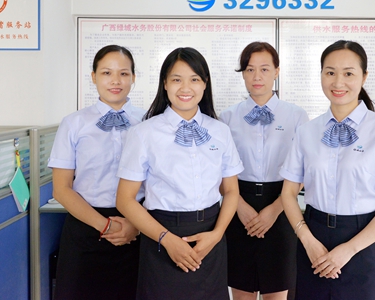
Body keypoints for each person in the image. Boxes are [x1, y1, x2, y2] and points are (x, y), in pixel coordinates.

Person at [280, 40, 375, 300]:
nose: (338, 82)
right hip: (314, 241)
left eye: (348, 73)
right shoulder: (307, 132)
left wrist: (349, 249)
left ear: (364, 77)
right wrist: (307, 240)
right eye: (330, 72)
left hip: (364, 242)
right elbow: (288, 194)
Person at [116, 47, 243, 300]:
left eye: (194, 79)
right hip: (161, 236)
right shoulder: (144, 133)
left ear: (205, 84)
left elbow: (231, 191)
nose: (186, 88)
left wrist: (217, 235)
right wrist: (166, 239)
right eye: (176, 79)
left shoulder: (220, 131)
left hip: (211, 237)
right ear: (165, 84)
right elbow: (124, 199)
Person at [49, 44, 144, 300]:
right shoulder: (74, 123)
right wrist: (106, 226)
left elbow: (158, 182)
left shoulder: (149, 121)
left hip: (138, 227)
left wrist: (135, 225)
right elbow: (61, 189)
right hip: (86, 228)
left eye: (124, 73)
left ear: (133, 77)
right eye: (106, 73)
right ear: (93, 77)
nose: (116, 81)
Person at [219, 42, 309, 300]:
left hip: (282, 205)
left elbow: (303, 170)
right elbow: (219, 170)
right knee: (241, 291)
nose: (257, 76)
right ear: (243, 74)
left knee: (277, 291)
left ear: (277, 72)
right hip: (238, 204)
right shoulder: (227, 117)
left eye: (264, 69)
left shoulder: (296, 116)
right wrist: (239, 206)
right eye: (250, 69)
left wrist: (276, 209)